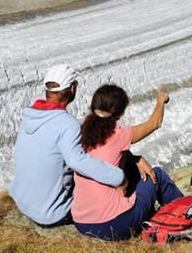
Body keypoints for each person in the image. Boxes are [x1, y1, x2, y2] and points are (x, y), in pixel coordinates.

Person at [9, 63, 156, 227]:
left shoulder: (30, 116)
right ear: (72, 89)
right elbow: (79, 161)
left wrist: (133, 158)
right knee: (122, 170)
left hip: (23, 201)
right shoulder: (67, 125)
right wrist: (119, 177)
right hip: (52, 213)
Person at [71, 83, 183, 240]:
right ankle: (186, 213)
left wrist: (135, 159)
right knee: (157, 174)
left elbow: (109, 154)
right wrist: (160, 101)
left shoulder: (82, 134)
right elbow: (155, 123)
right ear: (121, 113)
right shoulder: (119, 134)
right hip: (115, 225)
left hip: (82, 222)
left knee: (127, 163)